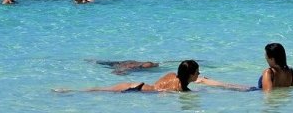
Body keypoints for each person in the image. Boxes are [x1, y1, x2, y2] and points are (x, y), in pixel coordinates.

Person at [196, 43, 293, 92]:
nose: (265, 58)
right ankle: (206, 80)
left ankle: (204, 81)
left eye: (266, 56)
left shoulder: (269, 72)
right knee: (228, 85)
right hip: (258, 92)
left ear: (272, 59)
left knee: (226, 85)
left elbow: (267, 94)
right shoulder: (291, 72)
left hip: (253, 91)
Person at [58, 60, 200, 93]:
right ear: (191, 74)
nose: (199, 74)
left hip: (136, 85)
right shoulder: (182, 89)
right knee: (102, 91)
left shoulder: (171, 75)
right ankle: (68, 92)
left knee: (100, 90)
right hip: (137, 91)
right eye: (197, 72)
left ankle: (67, 91)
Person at [95, 60, 160, 75]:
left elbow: (156, 64)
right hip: (116, 65)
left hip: (124, 63)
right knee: (100, 63)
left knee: (102, 62)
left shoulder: (143, 64)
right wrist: (123, 74)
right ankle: (92, 61)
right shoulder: (128, 67)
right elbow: (114, 72)